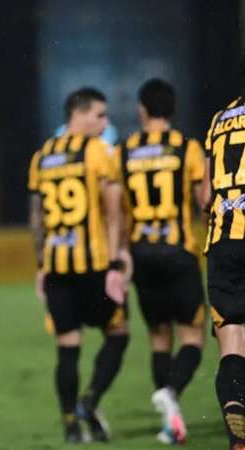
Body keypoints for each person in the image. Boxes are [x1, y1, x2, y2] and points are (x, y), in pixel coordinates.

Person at [28, 87, 130, 444]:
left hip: (57, 267)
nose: (104, 123)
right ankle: (90, 400)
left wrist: (41, 263)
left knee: (67, 347)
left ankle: (71, 424)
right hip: (97, 266)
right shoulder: (100, 153)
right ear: (80, 113)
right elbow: (114, 210)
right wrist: (119, 257)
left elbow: (37, 217)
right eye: (100, 115)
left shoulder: (42, 156)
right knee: (118, 334)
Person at [114, 78, 206, 445]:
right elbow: (205, 200)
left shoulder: (125, 150)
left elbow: (118, 207)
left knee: (158, 337)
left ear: (142, 109)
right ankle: (171, 395)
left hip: (142, 252)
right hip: (178, 250)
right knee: (194, 335)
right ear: (172, 110)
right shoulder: (187, 148)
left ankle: (171, 423)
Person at [202, 54, 245, 450]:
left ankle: (237, 426)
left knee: (232, 341)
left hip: (223, 240)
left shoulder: (219, 119)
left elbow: (205, 191)